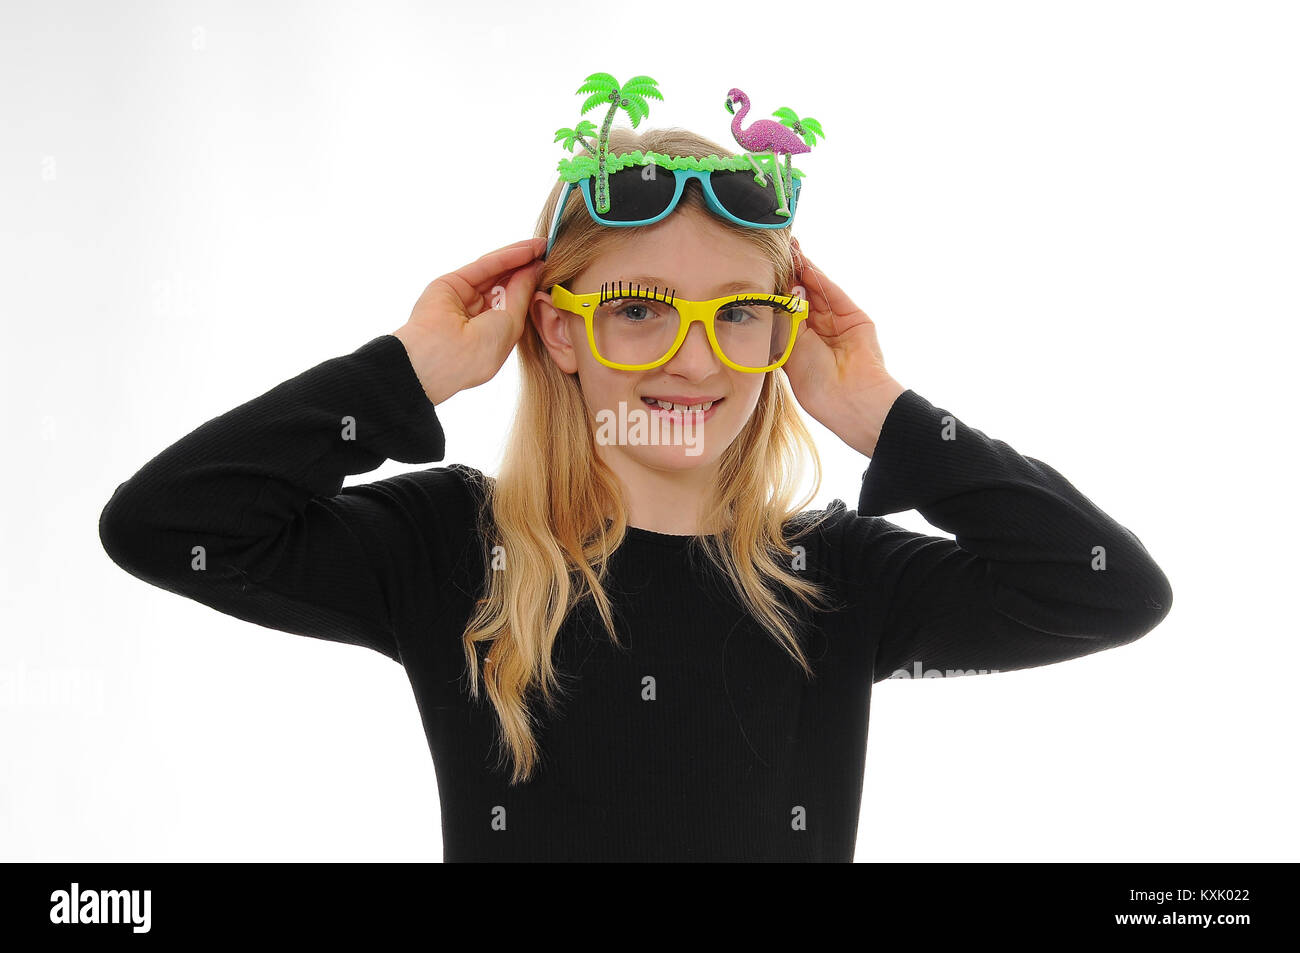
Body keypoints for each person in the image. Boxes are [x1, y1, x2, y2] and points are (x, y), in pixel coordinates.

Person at [98, 103, 1172, 862]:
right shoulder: (451, 551)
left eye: (735, 313)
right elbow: (165, 524)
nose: (693, 360)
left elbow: (1109, 589)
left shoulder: (834, 579)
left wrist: (881, 412)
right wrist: (407, 371)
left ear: (781, 335)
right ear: (559, 331)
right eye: (641, 306)